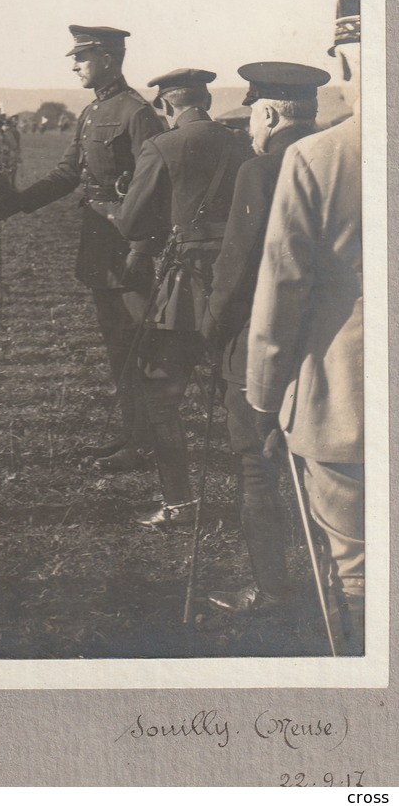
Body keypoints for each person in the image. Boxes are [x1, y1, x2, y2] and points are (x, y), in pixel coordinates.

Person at [246, 0, 363, 652]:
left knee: (358, 569)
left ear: (346, 62)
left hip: (346, 402)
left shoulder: (319, 158)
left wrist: (263, 397)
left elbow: (281, 293)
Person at [0, 24, 164, 470]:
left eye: (81, 58)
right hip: (99, 245)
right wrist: (14, 205)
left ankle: (149, 443)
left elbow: (157, 187)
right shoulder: (92, 112)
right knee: (117, 344)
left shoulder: (136, 112)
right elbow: (69, 173)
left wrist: (141, 250)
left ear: (107, 58)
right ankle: (135, 436)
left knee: (137, 346)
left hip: (129, 247)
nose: (73, 65)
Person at [200, 62, 331, 614]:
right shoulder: (342, 159)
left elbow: (235, 271)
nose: (251, 129)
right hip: (329, 347)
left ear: (270, 112)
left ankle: (272, 589)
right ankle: (342, 589)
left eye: (253, 115)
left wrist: (209, 334)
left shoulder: (260, 172)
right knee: (326, 472)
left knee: (257, 469)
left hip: (259, 347)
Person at [110, 68, 252, 526]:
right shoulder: (241, 143)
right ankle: (256, 501)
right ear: (205, 99)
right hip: (238, 284)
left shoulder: (162, 146)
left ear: (167, 106)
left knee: (160, 391)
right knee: (237, 392)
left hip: (185, 289)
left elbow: (132, 225)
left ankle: (180, 503)